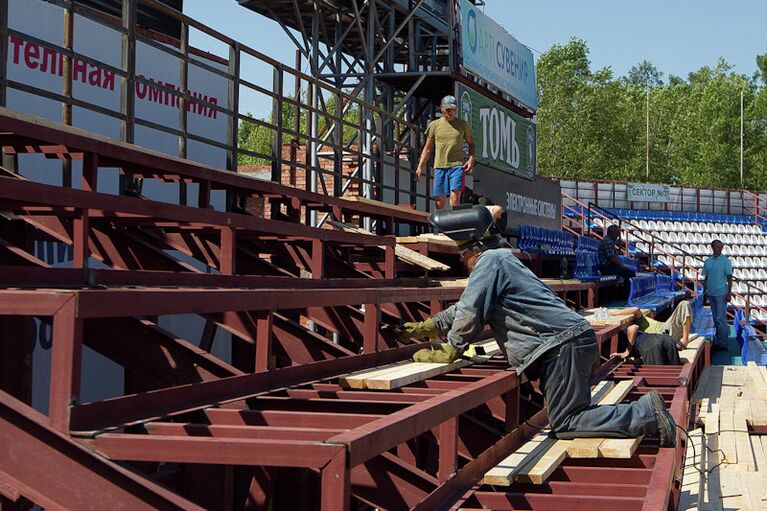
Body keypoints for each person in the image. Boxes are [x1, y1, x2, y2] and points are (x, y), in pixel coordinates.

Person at [400, 205, 677, 446]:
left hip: (561, 348)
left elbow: (471, 311)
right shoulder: (502, 260)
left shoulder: (489, 262)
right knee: (572, 415)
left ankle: (646, 413)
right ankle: (645, 412)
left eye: (462, 254)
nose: (463, 261)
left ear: (475, 247)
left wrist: (453, 346)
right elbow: (466, 306)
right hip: (572, 342)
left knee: (568, 421)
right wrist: (429, 326)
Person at [415, 95, 475, 210]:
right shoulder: (434, 125)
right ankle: (441, 226)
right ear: (442, 108)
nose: (450, 112)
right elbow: (427, 148)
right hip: (440, 166)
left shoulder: (462, 125)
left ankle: (453, 225)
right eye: (447, 109)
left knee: (454, 198)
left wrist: (471, 158)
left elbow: (471, 143)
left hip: (457, 166)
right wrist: (420, 166)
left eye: (452, 109)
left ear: (456, 110)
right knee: (439, 200)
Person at [702, 239, 732, 351]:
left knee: (721, 319)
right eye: (718, 247)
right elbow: (706, 278)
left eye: (721, 247)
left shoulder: (726, 261)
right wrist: (705, 292)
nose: (720, 249)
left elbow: (730, 278)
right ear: (712, 247)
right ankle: (718, 341)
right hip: (711, 293)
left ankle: (723, 344)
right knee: (715, 318)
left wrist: (729, 293)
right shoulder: (708, 261)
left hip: (721, 293)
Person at [611, 325, 683, 366]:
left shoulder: (619, 335)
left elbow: (634, 327)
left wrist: (627, 352)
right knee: (675, 374)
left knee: (658, 377)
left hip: (651, 344)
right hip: (666, 339)